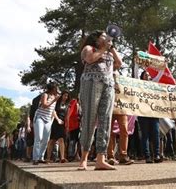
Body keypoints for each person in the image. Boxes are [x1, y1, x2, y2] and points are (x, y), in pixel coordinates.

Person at [78, 30, 122, 171]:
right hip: (91, 82)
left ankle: (100, 159)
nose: (107, 37)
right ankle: (83, 159)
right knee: (90, 119)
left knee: (105, 121)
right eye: (104, 36)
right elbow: (90, 59)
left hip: (108, 85)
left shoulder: (108, 52)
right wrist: (103, 48)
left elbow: (119, 63)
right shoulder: (89, 49)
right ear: (96, 39)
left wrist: (111, 47)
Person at [32, 82, 63, 165]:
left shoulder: (54, 97)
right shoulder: (45, 95)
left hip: (48, 120)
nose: (57, 90)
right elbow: (45, 105)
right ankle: (35, 158)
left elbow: (52, 110)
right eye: (56, 88)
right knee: (39, 137)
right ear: (53, 89)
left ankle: (41, 157)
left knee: (46, 140)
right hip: (40, 118)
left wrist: (58, 119)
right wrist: (54, 100)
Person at [138, 71, 162, 164]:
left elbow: (159, 75)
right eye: (145, 74)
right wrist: (136, 62)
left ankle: (157, 155)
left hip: (153, 113)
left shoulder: (153, 84)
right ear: (142, 77)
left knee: (156, 134)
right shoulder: (138, 84)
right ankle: (147, 156)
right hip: (143, 113)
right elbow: (136, 73)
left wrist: (164, 65)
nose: (148, 76)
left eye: (148, 75)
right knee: (145, 135)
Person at [47, 90, 70, 163]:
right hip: (55, 122)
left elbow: (67, 116)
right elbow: (53, 112)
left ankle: (62, 158)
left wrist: (67, 126)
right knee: (52, 140)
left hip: (62, 124)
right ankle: (48, 157)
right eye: (64, 95)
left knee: (61, 139)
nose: (65, 97)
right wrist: (57, 119)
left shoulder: (67, 105)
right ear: (62, 95)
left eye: (67, 96)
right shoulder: (57, 103)